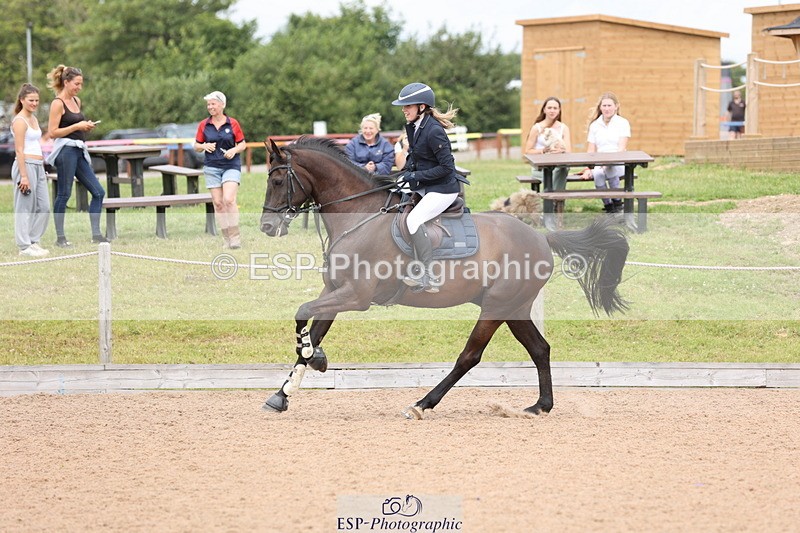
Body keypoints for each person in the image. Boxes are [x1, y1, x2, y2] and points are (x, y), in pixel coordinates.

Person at [392, 82, 466, 293]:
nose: (404, 109)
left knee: (414, 219)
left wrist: (415, 175)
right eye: (404, 106)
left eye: (408, 106)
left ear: (422, 107)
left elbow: (446, 168)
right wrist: (405, 174)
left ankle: (428, 274)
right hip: (426, 184)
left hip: (443, 189)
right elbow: (418, 158)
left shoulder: (433, 131)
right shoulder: (417, 126)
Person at [45, 65, 106, 247]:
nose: (79, 88)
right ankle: (60, 238)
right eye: (76, 84)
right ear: (66, 82)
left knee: (98, 192)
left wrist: (85, 125)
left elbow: (77, 125)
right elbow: (53, 132)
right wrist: (77, 127)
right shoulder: (58, 103)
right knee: (64, 194)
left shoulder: (77, 101)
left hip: (79, 151)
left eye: (81, 84)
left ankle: (96, 235)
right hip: (66, 152)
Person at [193, 91, 246, 249]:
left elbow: (242, 144)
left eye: (213, 104)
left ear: (222, 105)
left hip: (231, 166)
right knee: (218, 203)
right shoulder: (204, 125)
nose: (210, 107)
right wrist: (204, 146)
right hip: (211, 167)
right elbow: (196, 146)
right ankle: (226, 239)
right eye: (208, 104)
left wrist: (233, 151)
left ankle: (235, 237)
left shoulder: (233, 123)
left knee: (228, 200)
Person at [11, 84, 51, 257]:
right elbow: (19, 150)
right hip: (25, 165)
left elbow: (37, 142)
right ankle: (24, 246)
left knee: (44, 207)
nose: (34, 103)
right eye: (31, 100)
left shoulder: (33, 119)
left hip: (38, 166)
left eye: (36, 100)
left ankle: (33, 241)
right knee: (24, 207)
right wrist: (24, 176)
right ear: (22, 100)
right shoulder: (20, 121)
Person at [580, 92, 631, 213]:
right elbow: (591, 150)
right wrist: (588, 168)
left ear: (616, 106)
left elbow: (621, 148)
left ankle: (618, 203)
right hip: (600, 162)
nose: (607, 108)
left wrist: (608, 162)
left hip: (618, 162)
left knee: (610, 168)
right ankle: (609, 206)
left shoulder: (623, 123)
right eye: (604, 106)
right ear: (600, 107)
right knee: (597, 174)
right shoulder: (595, 125)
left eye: (609, 105)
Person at [523, 96, 572, 190]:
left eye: (555, 108)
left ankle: (550, 200)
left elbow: (568, 151)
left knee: (562, 169)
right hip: (541, 168)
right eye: (549, 108)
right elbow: (527, 151)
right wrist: (543, 150)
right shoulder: (536, 128)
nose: (552, 111)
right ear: (544, 110)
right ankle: (556, 202)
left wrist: (561, 150)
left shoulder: (564, 128)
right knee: (559, 173)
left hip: (559, 166)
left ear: (559, 110)